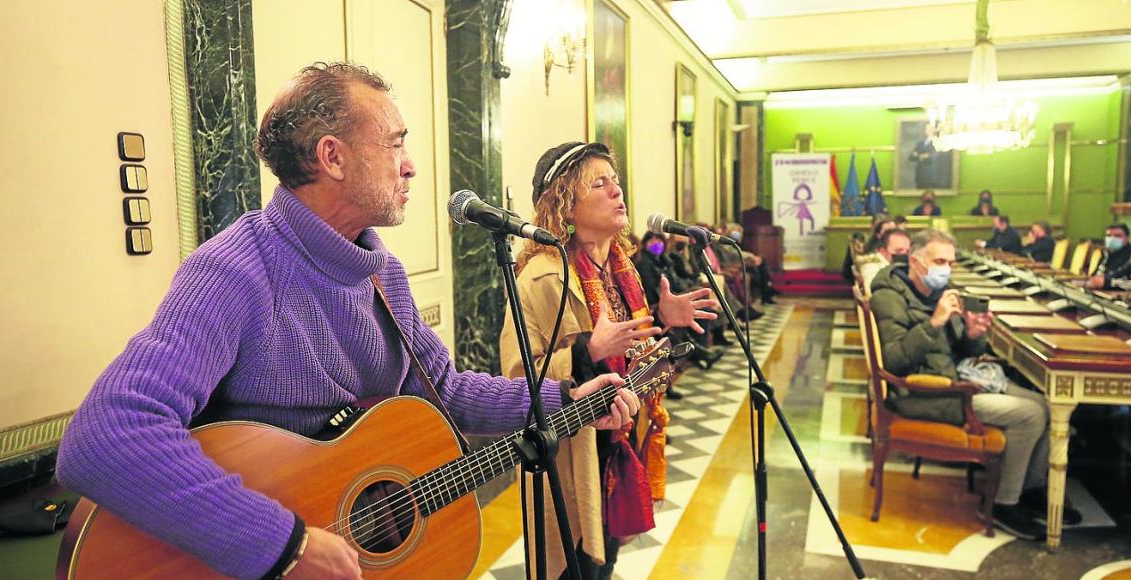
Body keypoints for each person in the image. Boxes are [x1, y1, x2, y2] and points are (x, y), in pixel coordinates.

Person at [54, 63, 641, 580]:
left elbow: (448, 393)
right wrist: (286, 545)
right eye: (395, 144)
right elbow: (106, 434)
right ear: (332, 157)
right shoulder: (234, 270)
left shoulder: (382, 272)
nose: (411, 167)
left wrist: (566, 397)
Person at [503, 141, 718, 580]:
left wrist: (662, 321)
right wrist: (586, 352)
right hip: (571, 457)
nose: (617, 191)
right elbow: (517, 380)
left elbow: (635, 356)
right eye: (599, 184)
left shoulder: (623, 267)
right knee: (573, 566)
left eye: (615, 181)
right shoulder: (541, 278)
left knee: (607, 564)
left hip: (621, 441)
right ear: (564, 204)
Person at [869, 229, 1070, 540]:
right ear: (915, 262)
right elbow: (893, 360)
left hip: (957, 376)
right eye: (939, 261)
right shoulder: (889, 295)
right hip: (925, 392)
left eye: (950, 262)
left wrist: (974, 335)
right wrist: (934, 322)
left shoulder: (941, 291)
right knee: (1029, 416)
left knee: (1048, 405)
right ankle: (1004, 503)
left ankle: (1030, 490)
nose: (946, 269)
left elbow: (964, 349)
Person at [635, 232, 722, 371]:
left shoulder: (664, 259)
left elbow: (678, 278)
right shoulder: (645, 262)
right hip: (655, 303)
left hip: (671, 296)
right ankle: (699, 353)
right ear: (644, 243)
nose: (656, 243)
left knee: (703, 309)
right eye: (651, 240)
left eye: (659, 239)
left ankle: (701, 351)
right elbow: (651, 290)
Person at [856, 228, 910, 294]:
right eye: (898, 251)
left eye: (908, 251)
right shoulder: (871, 268)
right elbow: (871, 294)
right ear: (883, 251)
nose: (904, 254)